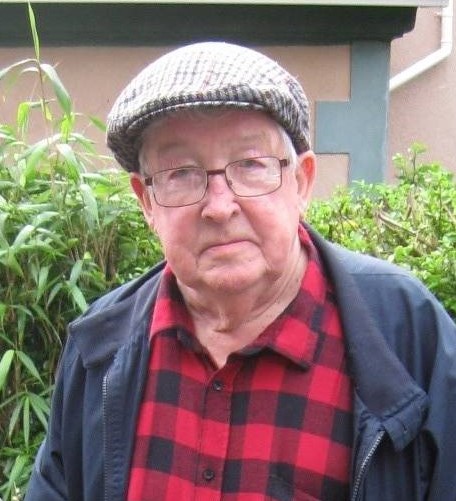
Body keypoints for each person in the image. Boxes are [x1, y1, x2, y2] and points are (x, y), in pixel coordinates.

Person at [26, 42, 456, 501]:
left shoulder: (408, 337)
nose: (219, 205)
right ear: (146, 201)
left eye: (250, 164)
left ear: (302, 181)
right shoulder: (100, 349)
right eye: (181, 172)